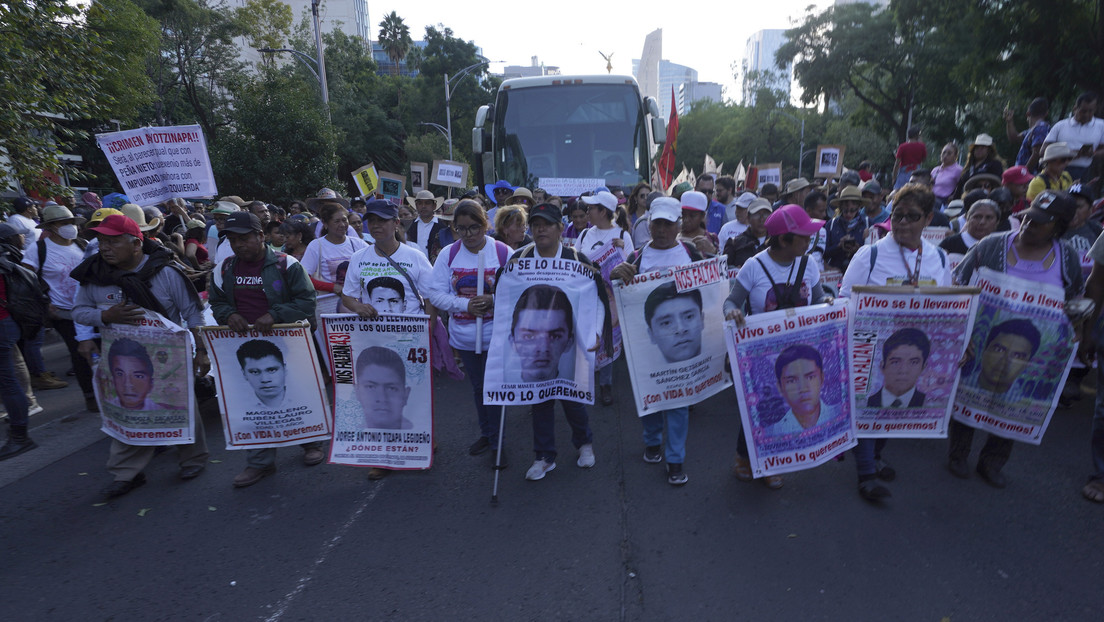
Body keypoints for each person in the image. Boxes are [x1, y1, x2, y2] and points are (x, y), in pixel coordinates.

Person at [951, 191, 1083, 488]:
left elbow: (1075, 300)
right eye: (1028, 218)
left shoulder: (1067, 259)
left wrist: (1075, 332)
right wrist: (959, 330)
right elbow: (958, 284)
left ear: (1059, 227)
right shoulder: (991, 246)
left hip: (1030, 353)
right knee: (966, 395)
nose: (1028, 225)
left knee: (1011, 405)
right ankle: (958, 453)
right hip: (979, 345)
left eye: (1040, 223)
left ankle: (993, 461)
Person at [70, 215, 209, 498]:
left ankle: (192, 460)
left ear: (136, 244)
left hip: (169, 356)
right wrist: (104, 315)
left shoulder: (167, 273)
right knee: (126, 414)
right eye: (101, 242)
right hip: (121, 359)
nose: (105, 248)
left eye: (113, 241)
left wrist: (202, 351)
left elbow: (193, 313)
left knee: (182, 410)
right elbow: (79, 311)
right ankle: (126, 473)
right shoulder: (94, 275)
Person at [839, 183, 951, 501]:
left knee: (893, 406)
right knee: (868, 406)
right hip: (871, 347)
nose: (902, 223)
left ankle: (875, 456)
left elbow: (947, 305)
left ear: (928, 219)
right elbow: (845, 298)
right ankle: (866, 474)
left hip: (913, 349)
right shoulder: (870, 255)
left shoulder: (939, 259)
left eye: (911, 217)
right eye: (898, 215)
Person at [208, 211, 322, 488]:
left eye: (244, 238)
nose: (238, 245)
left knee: (295, 394)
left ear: (261, 236)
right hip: (243, 346)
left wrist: (275, 314)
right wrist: (227, 315)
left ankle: (310, 443)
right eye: (233, 240)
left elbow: (307, 302)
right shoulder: (224, 268)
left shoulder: (288, 264)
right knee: (252, 402)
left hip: (287, 345)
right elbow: (217, 302)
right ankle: (259, 462)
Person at [498, 203, 607, 481]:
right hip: (533, 344)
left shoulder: (577, 259)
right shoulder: (518, 259)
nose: (540, 229)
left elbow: (596, 299)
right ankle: (544, 456)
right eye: (535, 224)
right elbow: (504, 297)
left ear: (561, 228)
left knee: (572, 397)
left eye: (547, 223)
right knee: (540, 399)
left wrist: (595, 331)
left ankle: (584, 443)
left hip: (567, 343)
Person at [725, 203, 827, 489]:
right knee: (760, 408)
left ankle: (771, 462)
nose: (809, 241)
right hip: (760, 355)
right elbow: (732, 301)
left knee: (783, 407)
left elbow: (819, 301)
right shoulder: (754, 267)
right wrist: (732, 312)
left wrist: (829, 307)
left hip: (799, 354)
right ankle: (745, 457)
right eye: (804, 236)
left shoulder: (809, 265)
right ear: (783, 239)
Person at [611, 197, 704, 485]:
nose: (661, 229)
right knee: (650, 397)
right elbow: (619, 294)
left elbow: (711, 290)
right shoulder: (636, 258)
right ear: (649, 223)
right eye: (657, 223)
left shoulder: (691, 253)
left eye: (668, 223)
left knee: (677, 402)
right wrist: (615, 276)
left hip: (682, 348)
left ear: (679, 224)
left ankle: (675, 459)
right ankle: (652, 440)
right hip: (646, 344)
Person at [426, 200, 511, 466]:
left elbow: (517, 289)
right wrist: (465, 304)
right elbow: (435, 293)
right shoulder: (448, 255)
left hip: (497, 336)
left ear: (485, 223)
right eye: (462, 229)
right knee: (478, 387)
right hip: (464, 336)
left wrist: (492, 299)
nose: (469, 235)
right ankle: (487, 434)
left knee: (494, 388)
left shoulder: (502, 252)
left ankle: (498, 442)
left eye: (474, 227)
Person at [23, 203, 92, 404]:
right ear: (51, 226)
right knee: (80, 353)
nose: (70, 226)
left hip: (90, 309)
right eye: (64, 223)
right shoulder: (38, 250)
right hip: (63, 312)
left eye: (71, 222)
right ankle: (91, 397)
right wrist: (45, 303)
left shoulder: (83, 245)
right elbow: (26, 279)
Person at [576, 190, 632, 405]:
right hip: (588, 296)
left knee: (608, 338)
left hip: (611, 300)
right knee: (587, 338)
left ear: (604, 212)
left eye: (591, 208)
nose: (587, 211)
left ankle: (605, 385)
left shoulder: (622, 235)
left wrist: (622, 254)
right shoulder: (584, 235)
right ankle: (584, 384)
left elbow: (631, 266)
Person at [341, 200, 433, 318]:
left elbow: (431, 299)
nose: (375, 225)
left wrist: (427, 331)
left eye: (382, 220)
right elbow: (347, 296)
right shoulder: (358, 257)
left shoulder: (416, 256)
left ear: (396, 223)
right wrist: (358, 307)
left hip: (410, 334)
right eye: (371, 220)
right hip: (373, 333)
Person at [0, 223, 38, 460]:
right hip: (7, 325)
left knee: (7, 382)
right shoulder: (6, 259)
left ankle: (20, 436)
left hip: (2, 327)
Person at [300, 202, 369, 295]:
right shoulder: (316, 246)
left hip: (357, 301)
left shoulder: (358, 243)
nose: (342, 225)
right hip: (329, 303)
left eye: (344, 220)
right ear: (325, 223)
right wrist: (332, 287)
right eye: (337, 221)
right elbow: (303, 277)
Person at [768, 345, 836, 435]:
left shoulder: (839, 413)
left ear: (822, 379)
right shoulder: (772, 432)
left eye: (810, 377)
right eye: (791, 381)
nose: (803, 388)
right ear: (780, 388)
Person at [1043, 91, 1104, 182]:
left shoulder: (1101, 125)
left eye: (1090, 111)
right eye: (1083, 111)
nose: (1087, 114)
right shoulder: (1061, 125)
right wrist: (1067, 154)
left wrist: (1093, 153)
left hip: (1086, 170)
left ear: (1095, 109)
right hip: (1060, 171)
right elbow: (1043, 150)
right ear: (1075, 108)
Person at [867, 328, 930, 407]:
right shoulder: (866, 402)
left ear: (923, 367)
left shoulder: (929, 402)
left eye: (914, 362)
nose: (903, 370)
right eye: (895, 362)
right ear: (882, 366)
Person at [355, 346, 413, 430]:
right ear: (357, 392)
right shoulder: (345, 438)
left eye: (391, 388)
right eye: (371, 387)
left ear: (406, 395)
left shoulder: (424, 435)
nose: (382, 398)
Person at [824, 186, 869, 271]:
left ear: (859, 207)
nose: (848, 214)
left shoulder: (868, 224)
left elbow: (873, 254)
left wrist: (858, 249)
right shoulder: (831, 225)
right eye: (845, 211)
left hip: (859, 271)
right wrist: (838, 246)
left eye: (852, 210)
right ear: (840, 207)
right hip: (835, 272)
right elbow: (824, 253)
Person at [1004, 97, 1050, 172]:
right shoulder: (1033, 130)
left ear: (1028, 113)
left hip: (1030, 178)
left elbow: (1037, 153)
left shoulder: (1040, 129)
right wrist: (1009, 121)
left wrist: (1024, 172)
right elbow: (1014, 138)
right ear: (1046, 113)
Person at [724, 198, 772, 269]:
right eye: (757, 215)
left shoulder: (777, 243)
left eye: (765, 215)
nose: (761, 219)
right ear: (748, 218)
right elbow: (724, 271)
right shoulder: (734, 243)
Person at [405, 190, 447, 261]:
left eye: (427, 203)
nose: (423, 206)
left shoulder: (442, 227)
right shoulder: (409, 226)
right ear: (416, 206)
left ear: (434, 206)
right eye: (420, 203)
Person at [931, 143, 964, 209]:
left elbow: (961, 187)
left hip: (945, 202)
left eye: (949, 153)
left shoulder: (958, 170)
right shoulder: (935, 170)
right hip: (932, 199)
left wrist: (953, 197)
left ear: (955, 156)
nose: (945, 156)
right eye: (943, 153)